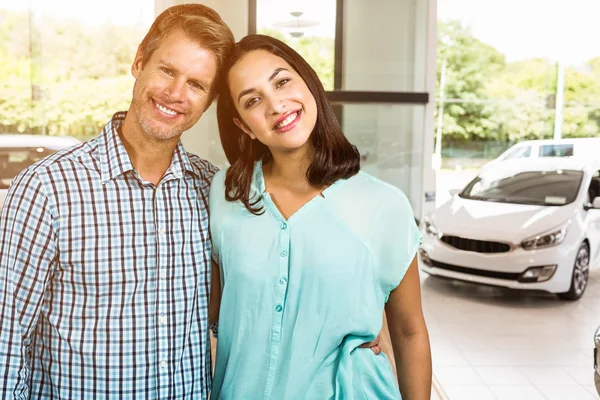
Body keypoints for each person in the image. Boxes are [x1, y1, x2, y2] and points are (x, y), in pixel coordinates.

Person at [0, 4, 234, 398]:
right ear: (139, 60)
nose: (176, 94)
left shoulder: (212, 189)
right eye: (167, 70)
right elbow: (5, 337)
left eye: (196, 84)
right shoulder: (47, 188)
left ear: (208, 101)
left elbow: (241, 311)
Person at [209, 34, 432, 399]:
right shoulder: (224, 193)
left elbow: (409, 331)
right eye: (253, 100)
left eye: (282, 81)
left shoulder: (384, 204)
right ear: (244, 126)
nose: (276, 104)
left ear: (309, 83)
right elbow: (213, 310)